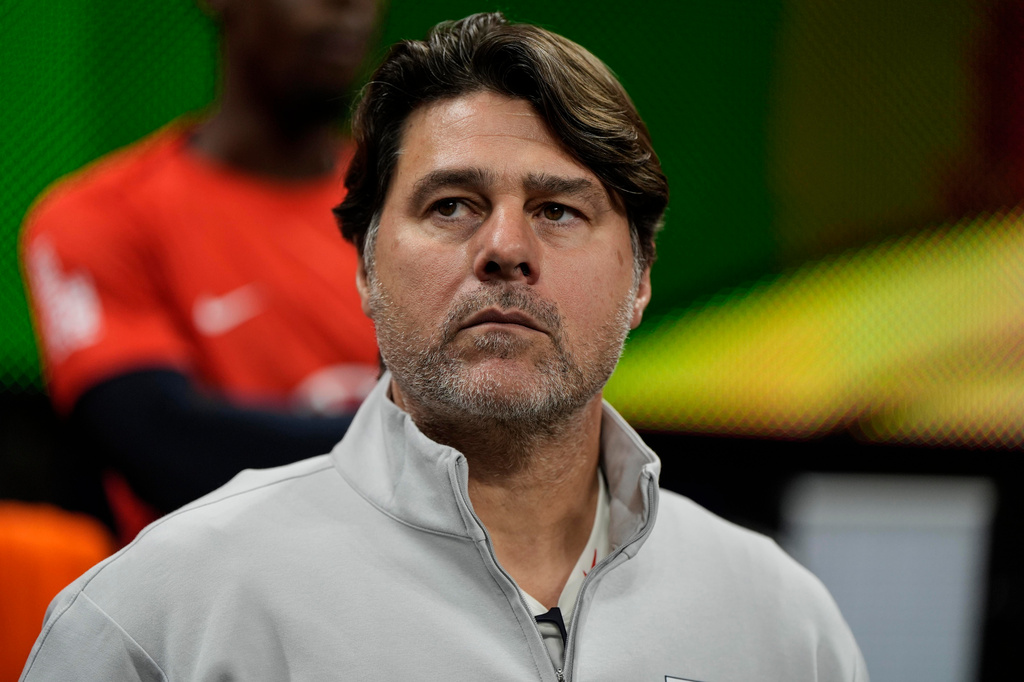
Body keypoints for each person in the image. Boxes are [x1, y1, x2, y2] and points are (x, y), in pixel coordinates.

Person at [20, 13, 868, 681]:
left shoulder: (786, 625)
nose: (504, 245)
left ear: (641, 277)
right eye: (452, 205)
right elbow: (148, 427)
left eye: (560, 210)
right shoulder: (150, 623)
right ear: (363, 268)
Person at [20, 0, 381, 539]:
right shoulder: (98, 217)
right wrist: (427, 443)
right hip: (206, 605)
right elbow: (164, 444)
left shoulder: (412, 208)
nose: (349, 6)